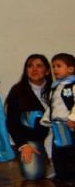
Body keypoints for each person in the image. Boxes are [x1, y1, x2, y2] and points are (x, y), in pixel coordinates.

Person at [5, 54, 52, 181]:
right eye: (30, 66)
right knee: (32, 174)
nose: (34, 69)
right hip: (31, 140)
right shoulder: (17, 91)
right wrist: (23, 145)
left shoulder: (57, 89)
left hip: (57, 138)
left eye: (39, 66)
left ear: (47, 71)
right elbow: (11, 123)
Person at [41, 52, 75, 182]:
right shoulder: (55, 86)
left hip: (70, 125)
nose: (55, 69)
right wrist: (47, 118)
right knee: (58, 151)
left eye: (58, 66)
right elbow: (52, 105)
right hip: (58, 125)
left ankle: (72, 176)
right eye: (53, 66)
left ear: (71, 69)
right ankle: (61, 175)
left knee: (71, 152)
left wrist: (73, 118)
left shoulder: (72, 85)